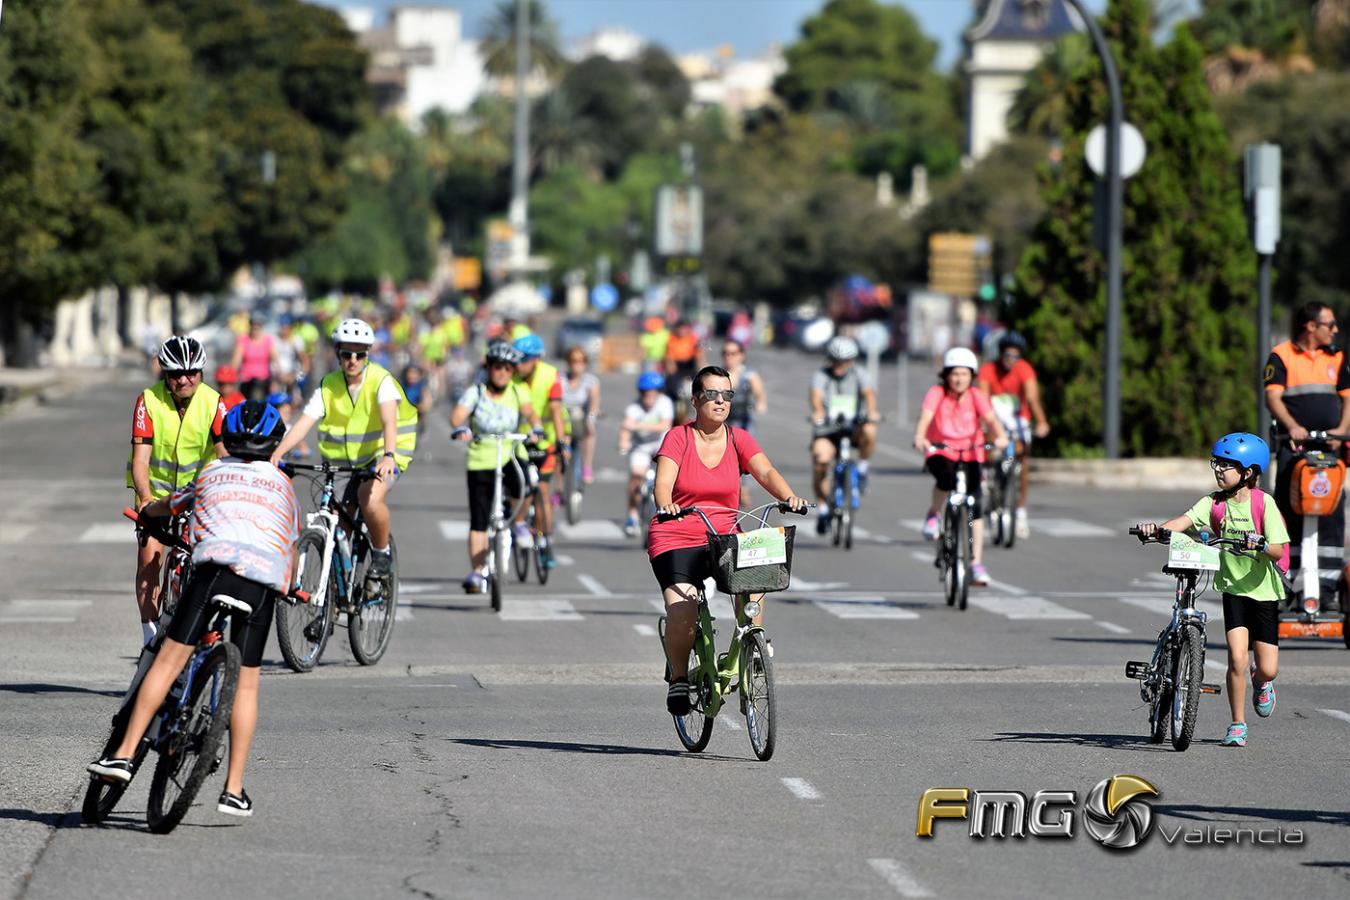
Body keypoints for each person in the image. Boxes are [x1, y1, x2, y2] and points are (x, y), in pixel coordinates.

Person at [89, 400, 300, 817]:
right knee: (247, 685)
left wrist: (149, 511)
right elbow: (289, 552)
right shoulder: (284, 486)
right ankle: (234, 789)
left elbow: (171, 506)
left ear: (229, 439)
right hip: (260, 581)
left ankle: (124, 755)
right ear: (275, 443)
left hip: (214, 572)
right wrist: (290, 587)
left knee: (168, 661)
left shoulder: (213, 472)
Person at [650, 365, 807, 715]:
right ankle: (678, 677)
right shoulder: (678, 437)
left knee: (756, 581)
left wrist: (789, 497)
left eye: (727, 395)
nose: (720, 401)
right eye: (711, 394)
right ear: (695, 400)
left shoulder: (738, 438)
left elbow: (764, 471)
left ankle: (750, 648)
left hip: (723, 535)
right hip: (677, 533)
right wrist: (667, 504)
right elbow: (663, 482)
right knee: (684, 608)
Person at [1134, 433, 1288, 747]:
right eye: (1216, 463)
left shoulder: (1263, 504)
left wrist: (1259, 543)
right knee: (1236, 659)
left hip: (1264, 592)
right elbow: (1185, 521)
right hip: (1233, 590)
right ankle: (1237, 724)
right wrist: (1157, 529)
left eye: (1227, 465)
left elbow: (1278, 549)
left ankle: (1262, 683)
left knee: (1268, 669)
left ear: (1248, 472)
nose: (1218, 470)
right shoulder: (1214, 503)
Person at [269, 318, 418, 594]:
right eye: (346, 353)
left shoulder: (380, 380)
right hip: (342, 462)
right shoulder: (328, 385)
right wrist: (277, 453)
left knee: (369, 500)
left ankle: (382, 554)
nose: (352, 360)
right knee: (337, 523)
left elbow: (389, 421)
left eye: (359, 354)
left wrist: (388, 455)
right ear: (338, 354)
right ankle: (337, 592)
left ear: (367, 355)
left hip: (383, 454)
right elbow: (304, 423)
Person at [128, 337, 227, 646]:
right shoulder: (148, 400)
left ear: (201, 372)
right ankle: (150, 638)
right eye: (175, 374)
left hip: (199, 494)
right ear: (165, 375)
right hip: (155, 494)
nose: (184, 380)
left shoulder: (214, 402)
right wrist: (146, 498)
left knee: (213, 562)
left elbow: (224, 455)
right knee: (150, 561)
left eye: (191, 373)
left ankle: (205, 627)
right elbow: (140, 460)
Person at [1264, 301, 1350, 603]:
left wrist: (1341, 431)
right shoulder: (1282, 355)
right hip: (1294, 446)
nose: (1335, 330)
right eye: (1330, 324)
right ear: (1310, 326)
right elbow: (1273, 398)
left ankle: (1326, 587)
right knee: (1288, 513)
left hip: (1330, 447)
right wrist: (1293, 426)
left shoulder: (1336, 357)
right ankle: (1286, 583)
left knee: (1331, 513)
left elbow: (1348, 399)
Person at [449, 341, 543, 593]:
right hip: (481, 459)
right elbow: (457, 416)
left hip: (511, 454)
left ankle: (520, 522)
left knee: (526, 486)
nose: (502, 373)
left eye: (508, 368)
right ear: (489, 368)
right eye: (497, 367)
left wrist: (536, 428)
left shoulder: (517, 391)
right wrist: (461, 428)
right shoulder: (476, 392)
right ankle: (477, 572)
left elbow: (530, 412)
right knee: (479, 519)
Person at [913, 347, 1007, 586]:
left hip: (971, 452)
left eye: (964, 374)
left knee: (975, 505)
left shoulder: (976, 395)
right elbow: (925, 417)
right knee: (945, 481)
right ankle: (934, 514)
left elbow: (991, 421)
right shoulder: (937, 393)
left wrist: (1000, 437)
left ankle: (975, 563)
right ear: (946, 375)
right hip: (940, 449)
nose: (959, 379)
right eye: (954, 374)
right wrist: (920, 437)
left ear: (972, 376)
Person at [976, 332, 1050, 539]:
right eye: (1007, 355)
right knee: (991, 445)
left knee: (1022, 458)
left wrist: (1042, 421)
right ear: (1000, 354)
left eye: (1016, 356)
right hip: (995, 418)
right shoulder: (988, 370)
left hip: (1018, 418)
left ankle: (1020, 511)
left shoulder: (1024, 370)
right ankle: (987, 475)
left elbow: (1032, 398)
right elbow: (982, 398)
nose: (1011, 360)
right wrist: (982, 422)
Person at [809, 336, 880, 535]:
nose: (840, 365)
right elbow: (816, 395)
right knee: (820, 458)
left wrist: (872, 412)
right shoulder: (821, 375)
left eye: (845, 361)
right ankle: (823, 509)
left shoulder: (860, 374)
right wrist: (817, 411)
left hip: (853, 426)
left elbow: (869, 394)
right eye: (836, 361)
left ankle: (863, 468)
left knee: (870, 430)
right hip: (828, 429)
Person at [512, 334, 568, 565]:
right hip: (517, 440)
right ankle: (518, 522)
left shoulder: (550, 374)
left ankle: (545, 540)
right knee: (520, 488)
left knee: (543, 490)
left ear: (536, 359)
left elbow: (555, 410)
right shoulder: (510, 375)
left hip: (545, 440)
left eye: (524, 360)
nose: (519, 364)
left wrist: (562, 441)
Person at [620, 371, 675, 536]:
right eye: (646, 393)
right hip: (641, 447)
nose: (650, 397)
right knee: (636, 478)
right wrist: (624, 441)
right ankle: (632, 515)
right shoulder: (634, 408)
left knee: (668, 479)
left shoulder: (664, 403)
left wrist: (637, 426)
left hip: (661, 446)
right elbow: (625, 428)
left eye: (653, 393)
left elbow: (665, 425)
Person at [722, 338, 767, 508]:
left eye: (733, 353)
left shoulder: (749, 374)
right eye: (726, 353)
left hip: (743, 420)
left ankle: (744, 487)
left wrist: (761, 404)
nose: (729, 357)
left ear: (741, 355)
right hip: (723, 421)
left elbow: (759, 394)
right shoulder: (719, 375)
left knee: (743, 454)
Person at [561, 346, 601, 485]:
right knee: (559, 449)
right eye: (573, 361)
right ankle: (559, 489)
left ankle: (587, 466)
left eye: (581, 361)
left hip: (581, 417)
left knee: (590, 430)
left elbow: (594, 401)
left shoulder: (590, 381)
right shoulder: (561, 379)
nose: (577, 365)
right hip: (564, 418)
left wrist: (592, 415)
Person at [231, 314, 278, 401]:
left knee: (259, 392)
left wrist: (276, 378)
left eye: (258, 327)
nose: (255, 330)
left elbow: (275, 359)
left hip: (263, 379)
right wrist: (232, 375)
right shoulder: (243, 340)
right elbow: (236, 360)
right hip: (246, 379)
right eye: (253, 327)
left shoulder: (268, 340)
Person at [663, 319, 703, 407]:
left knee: (699, 382)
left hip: (690, 364)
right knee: (671, 381)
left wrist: (701, 368)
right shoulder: (672, 338)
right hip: (677, 365)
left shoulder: (692, 338)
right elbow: (669, 356)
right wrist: (671, 370)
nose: (682, 331)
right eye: (680, 328)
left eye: (684, 328)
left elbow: (699, 354)